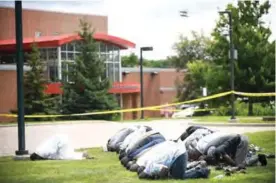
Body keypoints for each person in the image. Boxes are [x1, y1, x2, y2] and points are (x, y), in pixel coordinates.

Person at [136, 140, 210, 180]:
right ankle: (197, 166)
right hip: (177, 151)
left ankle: (203, 172)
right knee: (174, 173)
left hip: (179, 154)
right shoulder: (144, 160)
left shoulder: (151, 166)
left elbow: (164, 170)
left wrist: (161, 178)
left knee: (178, 177)